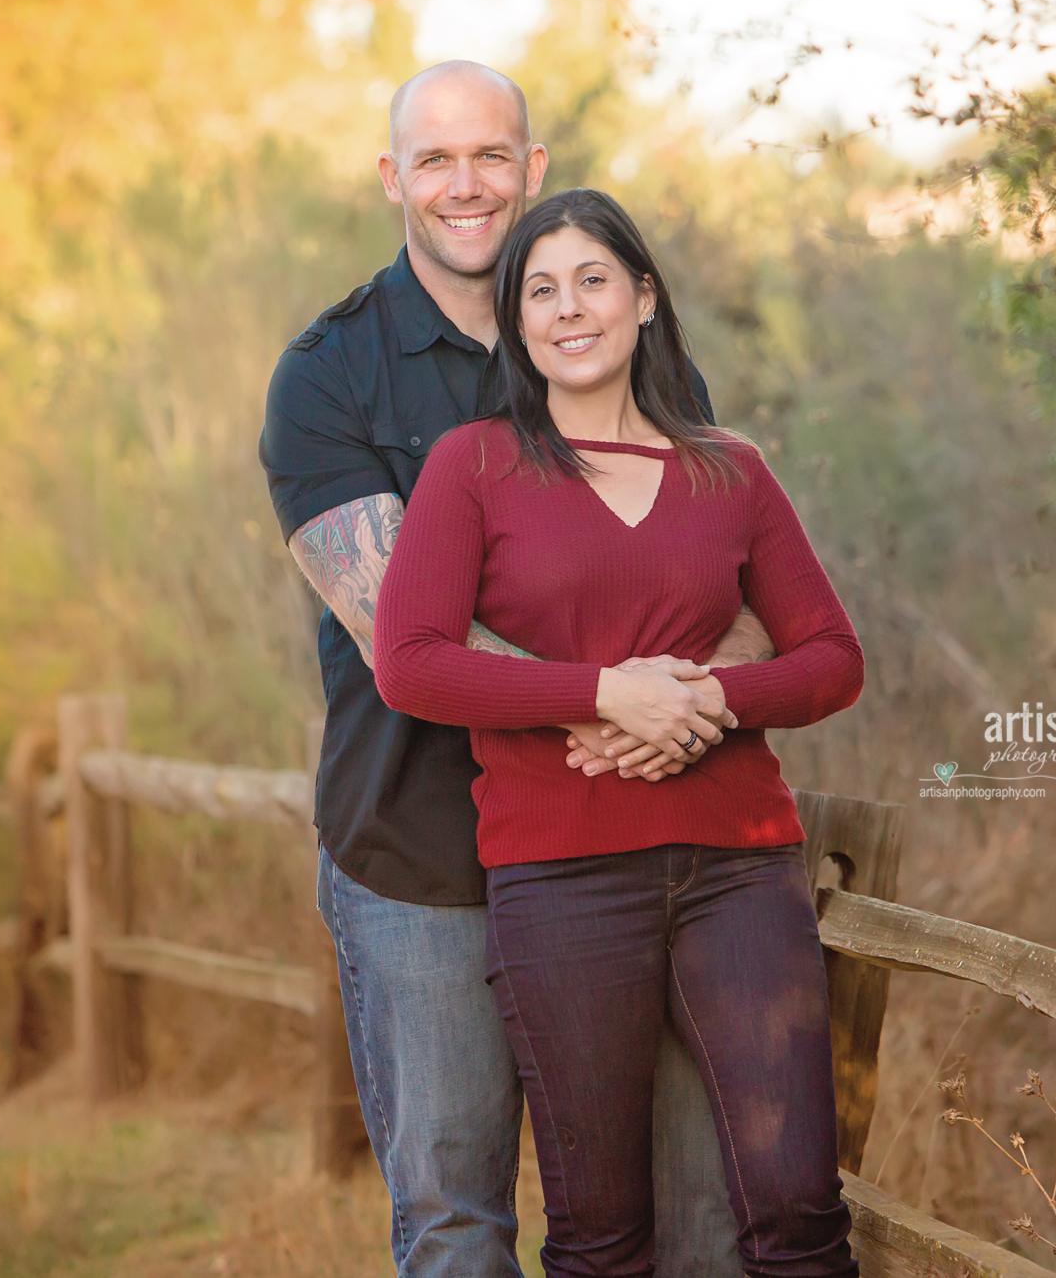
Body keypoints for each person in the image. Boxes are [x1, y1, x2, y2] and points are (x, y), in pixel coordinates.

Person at [260, 62, 764, 1278]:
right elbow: (403, 639)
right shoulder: (328, 376)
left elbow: (738, 594)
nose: (465, 183)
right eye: (433, 159)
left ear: (532, 170)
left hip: (631, 842)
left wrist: (664, 714)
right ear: (393, 180)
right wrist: (614, 699)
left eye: (490, 155)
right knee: (455, 1223)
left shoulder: (626, 347)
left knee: (677, 1220)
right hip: (421, 860)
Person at [372, 187, 865, 1278]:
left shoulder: (727, 469)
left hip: (739, 866)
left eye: (593, 279)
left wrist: (704, 706)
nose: (568, 308)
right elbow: (408, 663)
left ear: (643, 297)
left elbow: (833, 658)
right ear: (514, 324)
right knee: (598, 1233)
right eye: (538, 291)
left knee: (796, 1207)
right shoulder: (477, 466)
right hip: (561, 877)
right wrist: (602, 693)